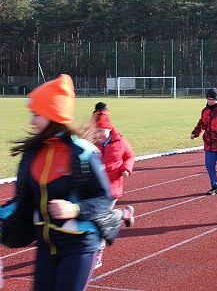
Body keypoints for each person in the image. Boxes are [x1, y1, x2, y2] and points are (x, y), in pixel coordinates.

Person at [1, 75, 133, 291]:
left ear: (53, 115)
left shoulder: (82, 152)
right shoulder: (32, 154)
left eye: (37, 115)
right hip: (45, 246)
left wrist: (74, 208)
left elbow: (103, 198)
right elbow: (22, 201)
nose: (32, 121)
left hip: (79, 244)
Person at [91, 102, 136, 269]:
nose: (99, 134)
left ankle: (98, 255)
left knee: (101, 220)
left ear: (109, 128)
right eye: (97, 131)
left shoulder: (120, 142)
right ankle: (124, 213)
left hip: (112, 188)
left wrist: (126, 169)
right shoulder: (92, 143)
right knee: (94, 217)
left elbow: (130, 157)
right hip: (94, 188)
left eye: (102, 131)